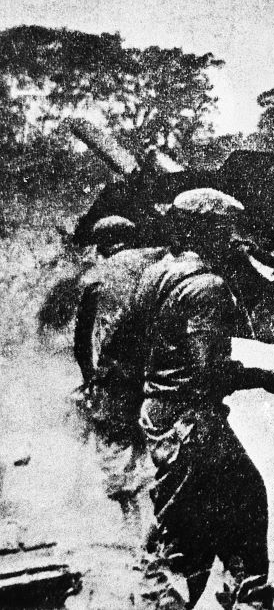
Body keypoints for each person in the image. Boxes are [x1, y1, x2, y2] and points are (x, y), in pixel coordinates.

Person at [133, 189, 274, 610]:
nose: (233, 240)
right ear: (204, 231)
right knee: (238, 510)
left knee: (197, 525)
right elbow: (209, 368)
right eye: (224, 230)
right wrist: (271, 377)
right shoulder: (207, 287)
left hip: (162, 416)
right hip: (193, 422)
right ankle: (246, 595)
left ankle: (238, 590)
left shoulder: (154, 276)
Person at [71, 216, 168, 540]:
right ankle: (163, 525)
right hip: (158, 371)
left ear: (102, 245)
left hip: (115, 377)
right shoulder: (157, 263)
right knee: (158, 446)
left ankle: (132, 529)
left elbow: (82, 340)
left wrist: (90, 379)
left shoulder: (96, 276)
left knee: (117, 448)